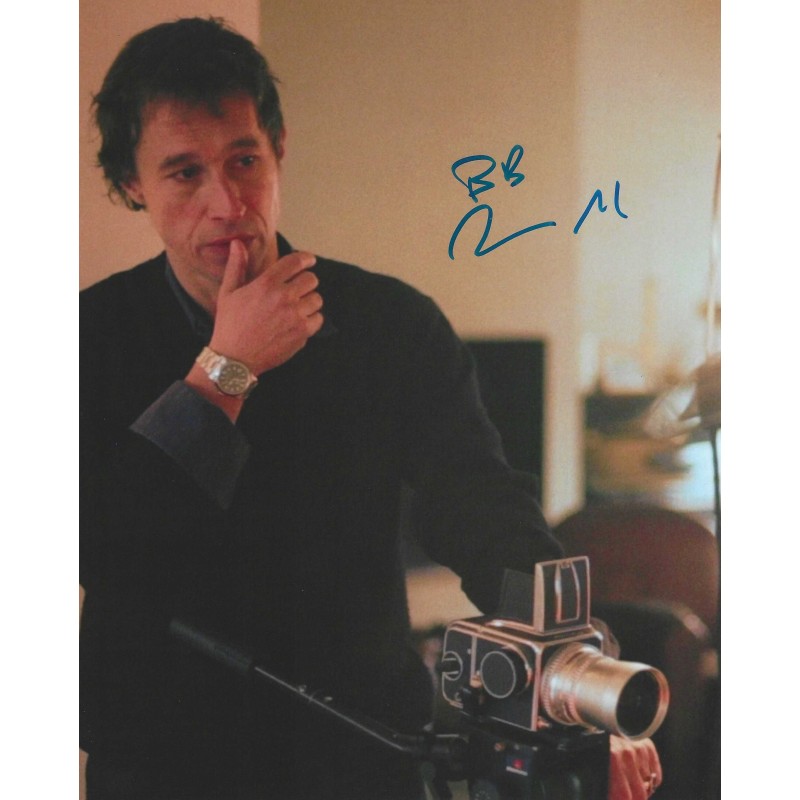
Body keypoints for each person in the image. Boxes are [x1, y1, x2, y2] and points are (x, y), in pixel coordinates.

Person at [80, 16, 661, 800]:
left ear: (279, 148)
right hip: (163, 759)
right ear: (132, 185)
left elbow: (485, 512)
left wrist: (577, 688)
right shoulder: (86, 338)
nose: (227, 202)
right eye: (184, 174)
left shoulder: (391, 323)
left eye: (244, 160)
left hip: (358, 747)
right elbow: (106, 550)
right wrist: (227, 370)